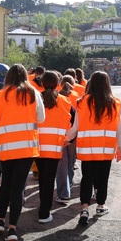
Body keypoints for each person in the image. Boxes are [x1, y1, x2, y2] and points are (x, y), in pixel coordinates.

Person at [0, 64, 45, 241]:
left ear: (8, 78)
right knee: (18, 187)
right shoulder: (33, 93)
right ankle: (12, 228)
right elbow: (41, 118)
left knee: (6, 184)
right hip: (26, 148)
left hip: (5, 149)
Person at [66, 71, 121, 226]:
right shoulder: (115, 103)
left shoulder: (81, 102)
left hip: (87, 149)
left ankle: (84, 209)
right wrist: (119, 146)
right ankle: (100, 206)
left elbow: (75, 127)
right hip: (106, 149)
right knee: (103, 178)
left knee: (87, 178)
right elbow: (118, 129)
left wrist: (66, 139)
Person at [35, 71, 74, 223]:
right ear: (58, 84)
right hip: (55, 147)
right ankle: (44, 213)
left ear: (42, 83)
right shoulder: (65, 101)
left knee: (42, 179)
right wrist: (68, 139)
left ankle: (42, 208)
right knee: (49, 179)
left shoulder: (35, 98)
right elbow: (74, 122)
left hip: (37, 146)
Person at [55, 75, 78, 203]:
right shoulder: (77, 95)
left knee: (62, 165)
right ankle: (69, 183)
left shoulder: (57, 97)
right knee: (70, 162)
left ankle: (64, 192)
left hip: (60, 136)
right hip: (73, 135)